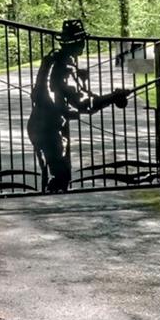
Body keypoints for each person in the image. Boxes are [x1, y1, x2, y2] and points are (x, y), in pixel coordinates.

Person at [28, 19, 131, 192]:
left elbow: (51, 91)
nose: (84, 44)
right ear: (78, 43)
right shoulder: (66, 67)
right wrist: (113, 97)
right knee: (60, 179)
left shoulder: (53, 59)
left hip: (39, 126)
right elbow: (85, 104)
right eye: (82, 40)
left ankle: (49, 194)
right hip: (50, 131)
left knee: (54, 177)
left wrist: (80, 80)